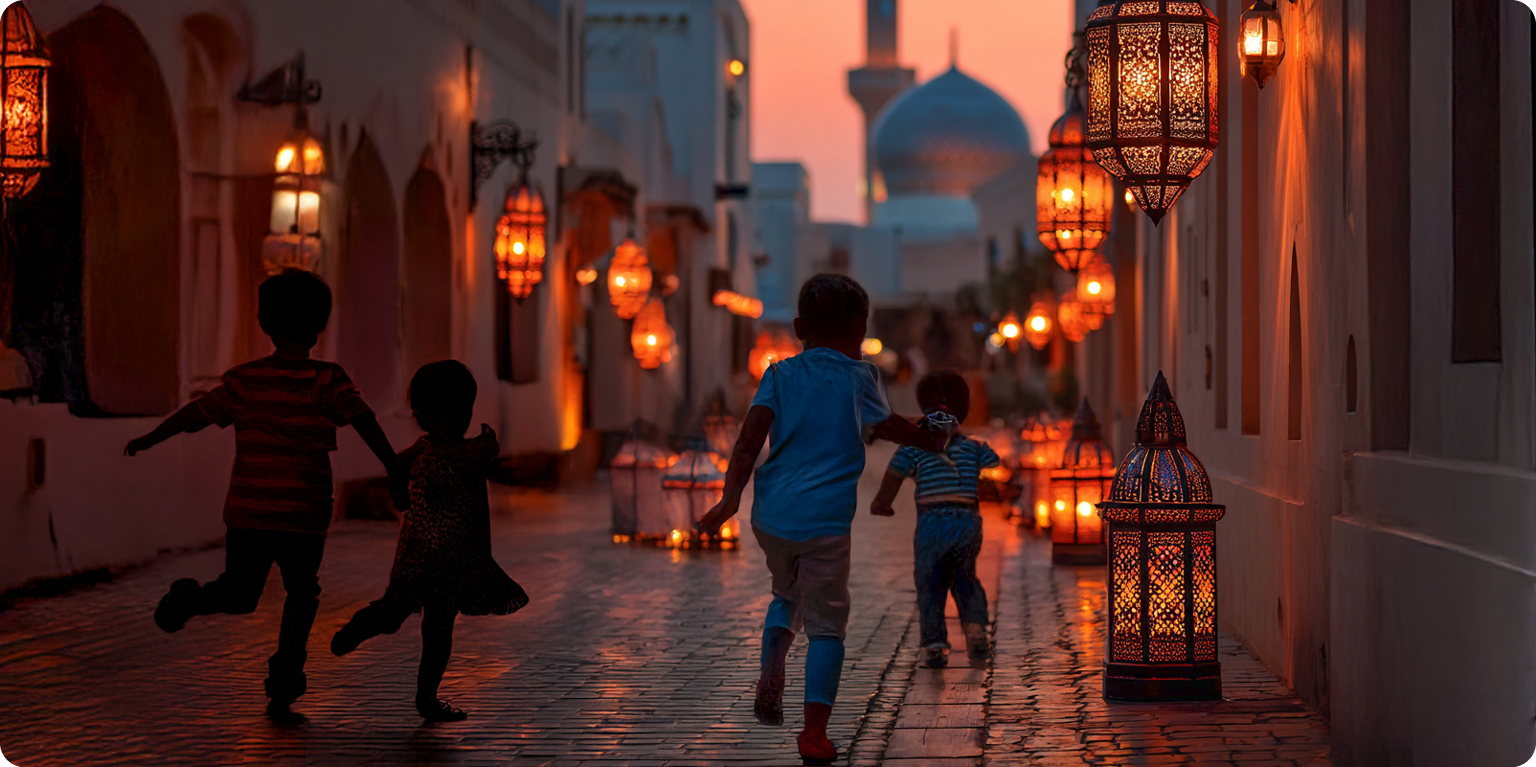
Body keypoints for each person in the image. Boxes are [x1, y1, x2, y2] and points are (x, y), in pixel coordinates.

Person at [124, 268, 397, 717]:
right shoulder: (328, 380)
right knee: (302, 591)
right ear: (318, 326)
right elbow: (365, 420)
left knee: (239, 593)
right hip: (305, 511)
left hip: (249, 510)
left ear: (263, 322)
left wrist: (152, 437)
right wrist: (391, 466)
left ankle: (193, 599)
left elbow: (196, 414)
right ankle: (287, 667)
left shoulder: (245, 381)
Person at [698, 274, 944, 767]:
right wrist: (930, 438)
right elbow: (887, 425)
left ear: (797, 327)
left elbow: (749, 439)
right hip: (825, 523)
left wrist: (729, 500)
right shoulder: (860, 377)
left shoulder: (779, 375)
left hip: (772, 518)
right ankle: (813, 733)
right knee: (827, 623)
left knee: (786, 593)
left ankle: (772, 664)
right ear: (860, 329)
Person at [330, 360, 528, 722]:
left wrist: (401, 496)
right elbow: (492, 465)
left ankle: (361, 626)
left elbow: (396, 476)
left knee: (394, 610)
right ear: (463, 411)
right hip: (452, 557)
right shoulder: (472, 452)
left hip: (415, 554)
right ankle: (427, 696)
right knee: (438, 629)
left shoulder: (419, 451)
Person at [870, 369, 999, 669]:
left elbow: (894, 477)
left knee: (930, 581)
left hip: (931, 521)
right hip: (967, 520)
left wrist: (882, 503)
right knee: (965, 577)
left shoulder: (913, 447)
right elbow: (993, 468)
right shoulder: (974, 447)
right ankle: (977, 629)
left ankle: (934, 643)